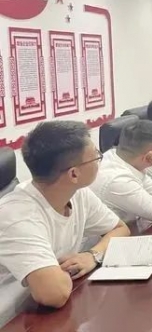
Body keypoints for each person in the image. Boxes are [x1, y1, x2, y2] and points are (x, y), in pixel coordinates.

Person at [0, 121, 129, 326]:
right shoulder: (17, 215)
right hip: (13, 319)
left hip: (47, 311)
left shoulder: (77, 194)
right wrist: (59, 277)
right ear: (74, 174)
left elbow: (120, 229)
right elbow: (54, 294)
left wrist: (92, 255)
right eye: (96, 156)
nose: (100, 161)